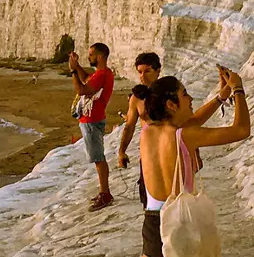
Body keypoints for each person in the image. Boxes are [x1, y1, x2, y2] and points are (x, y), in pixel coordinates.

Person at [136, 69, 250, 257]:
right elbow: (241, 130)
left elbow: (194, 119)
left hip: (153, 223)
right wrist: (238, 90)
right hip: (183, 223)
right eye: (184, 94)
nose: (190, 99)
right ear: (171, 104)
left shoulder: (146, 131)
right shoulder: (186, 136)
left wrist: (221, 96)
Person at [118, 52, 232, 207]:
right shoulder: (137, 99)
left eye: (147, 71)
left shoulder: (169, 93)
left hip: (174, 150)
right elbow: (130, 126)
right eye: (139, 72)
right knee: (156, 204)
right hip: (151, 155)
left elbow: (192, 122)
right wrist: (121, 150)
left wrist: (221, 97)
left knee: (176, 202)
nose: (142, 76)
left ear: (158, 71)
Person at [68, 42, 115, 211]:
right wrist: (78, 66)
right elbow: (87, 80)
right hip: (93, 119)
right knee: (97, 157)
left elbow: (82, 89)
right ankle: (104, 192)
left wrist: (73, 70)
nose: (89, 57)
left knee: (98, 158)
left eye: (92, 55)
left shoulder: (102, 75)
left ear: (100, 56)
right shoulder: (103, 74)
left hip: (92, 120)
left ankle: (105, 194)